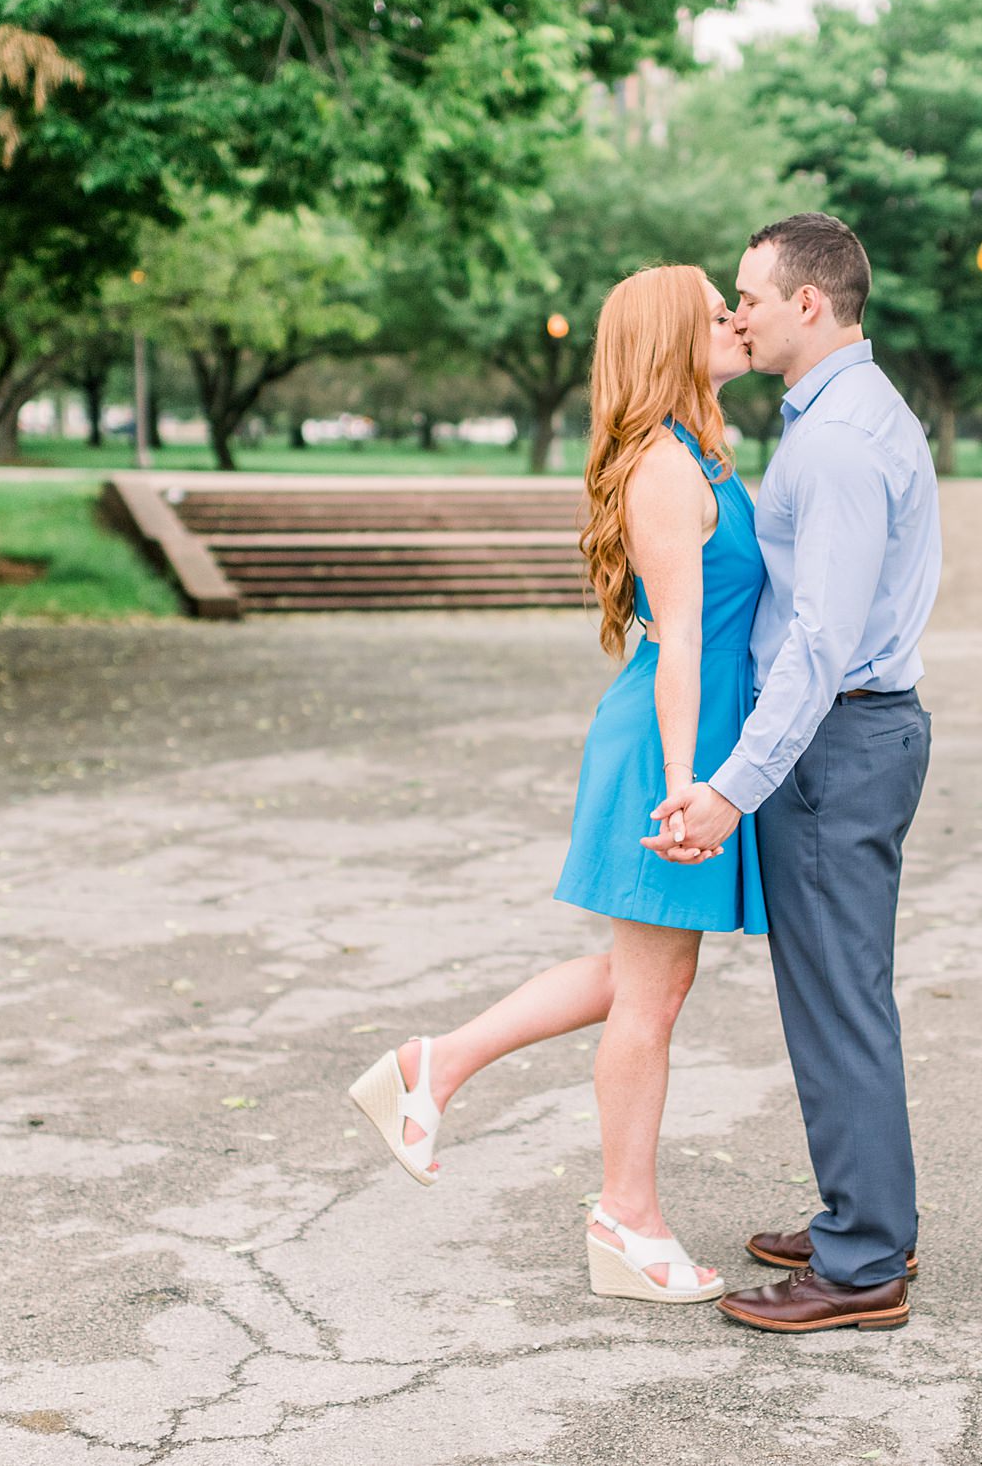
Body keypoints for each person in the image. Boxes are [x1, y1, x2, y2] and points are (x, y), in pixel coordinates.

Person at [348, 264, 765, 1305]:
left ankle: (431, 1067)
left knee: (645, 979)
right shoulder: (668, 469)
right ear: (675, 337)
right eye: (719, 311)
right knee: (652, 996)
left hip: (690, 741)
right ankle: (627, 1219)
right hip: (669, 747)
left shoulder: (698, 451)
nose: (738, 321)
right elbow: (676, 645)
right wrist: (682, 783)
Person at [649, 213, 942, 1334]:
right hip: (859, 733)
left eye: (750, 298)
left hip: (839, 745)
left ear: (807, 305)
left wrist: (730, 788)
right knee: (838, 990)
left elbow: (819, 641)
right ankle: (868, 1219)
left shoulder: (836, 443)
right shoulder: (849, 413)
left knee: (837, 996)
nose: (736, 316)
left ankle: (863, 1261)